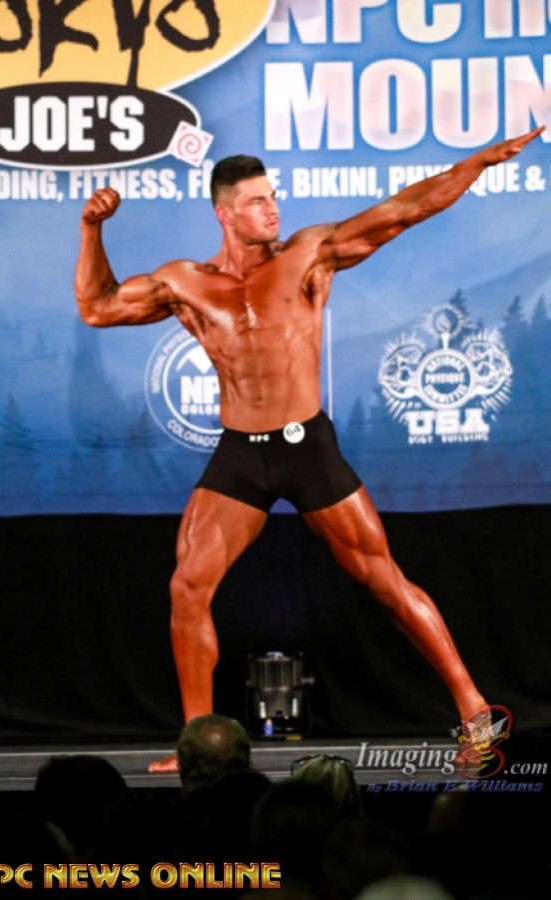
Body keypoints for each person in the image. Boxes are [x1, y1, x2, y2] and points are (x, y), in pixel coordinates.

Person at [74, 125, 543, 772]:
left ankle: (474, 711)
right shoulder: (186, 282)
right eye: (258, 201)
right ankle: (196, 744)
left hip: (306, 448)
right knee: (188, 587)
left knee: (384, 581)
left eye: (273, 197)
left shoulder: (309, 255)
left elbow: (406, 209)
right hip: (241, 454)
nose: (273, 209)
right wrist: (91, 230)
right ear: (225, 214)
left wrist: (478, 163)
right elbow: (97, 308)